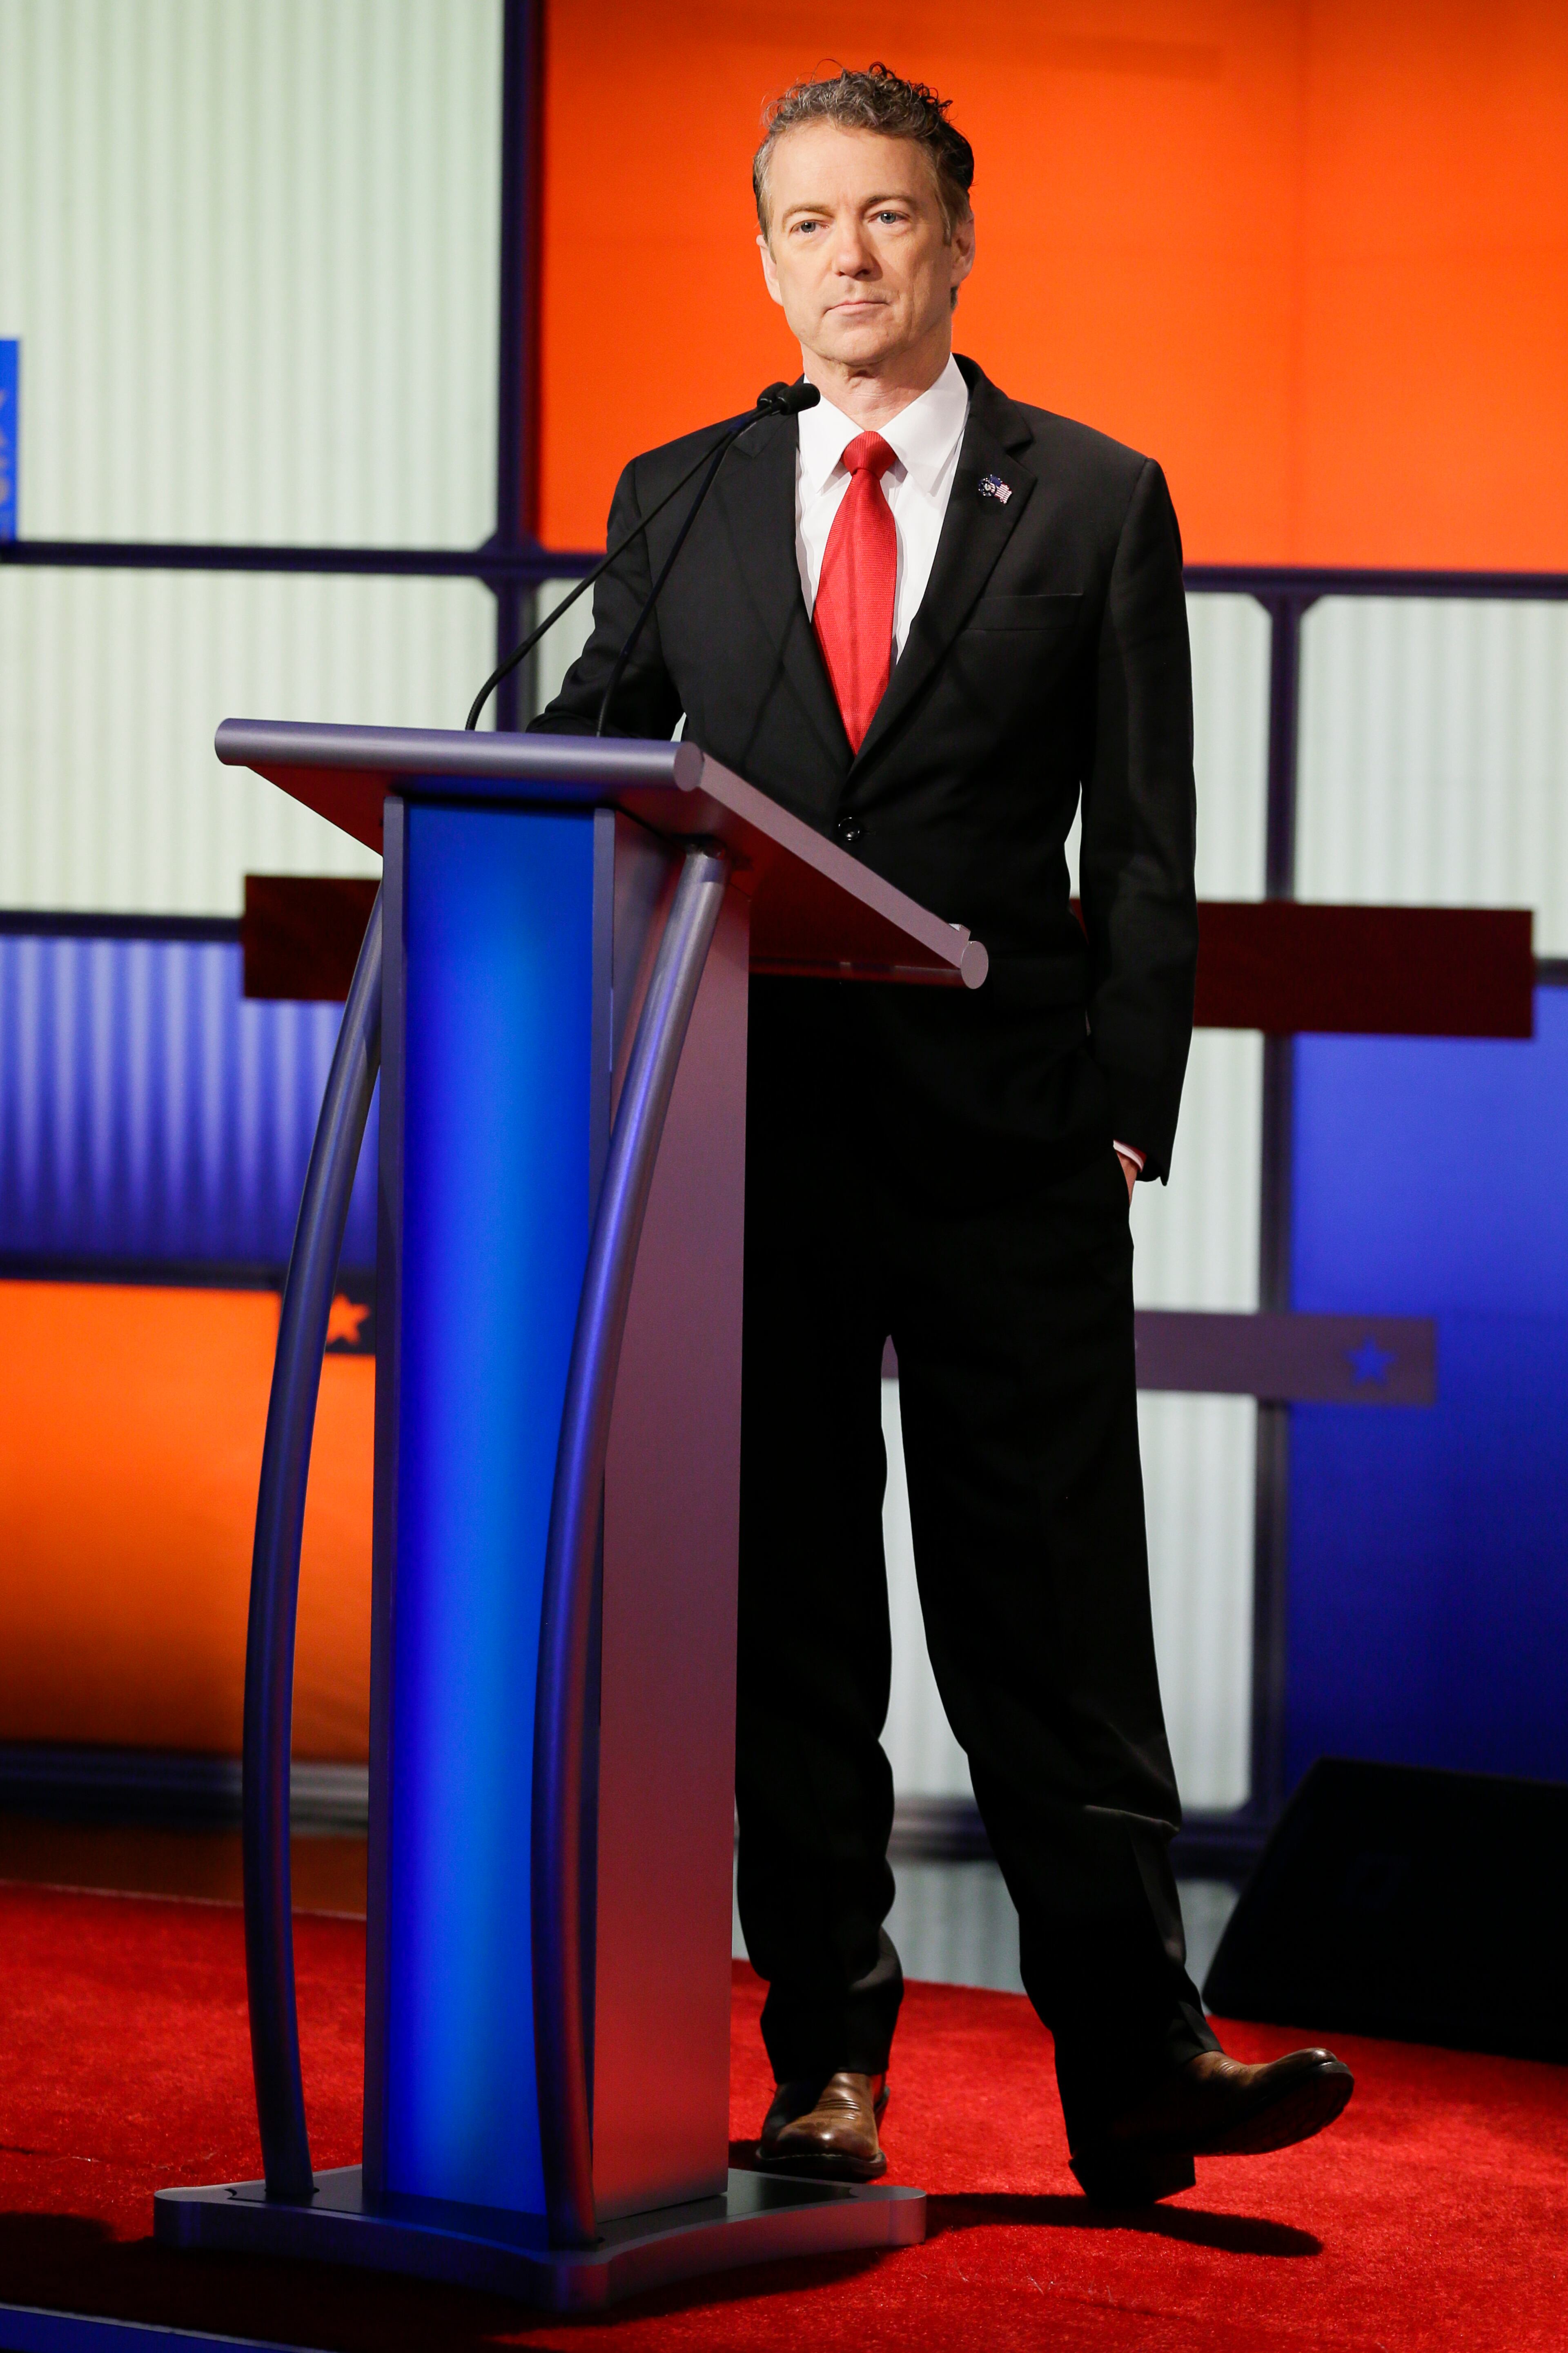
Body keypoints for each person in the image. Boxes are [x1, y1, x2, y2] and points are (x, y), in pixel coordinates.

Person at [531, 62, 1352, 2204]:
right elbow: (592, 770)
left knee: (1051, 1616)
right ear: (767, 252)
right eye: (811, 222)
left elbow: (1151, 841)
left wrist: (1125, 1118)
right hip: (753, 1134)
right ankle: (828, 2067)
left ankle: (1139, 2062)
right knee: (790, 1614)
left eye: (890, 216)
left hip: (1012, 1146)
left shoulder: (1094, 497)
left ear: (958, 243)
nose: (852, 258)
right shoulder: (678, 497)